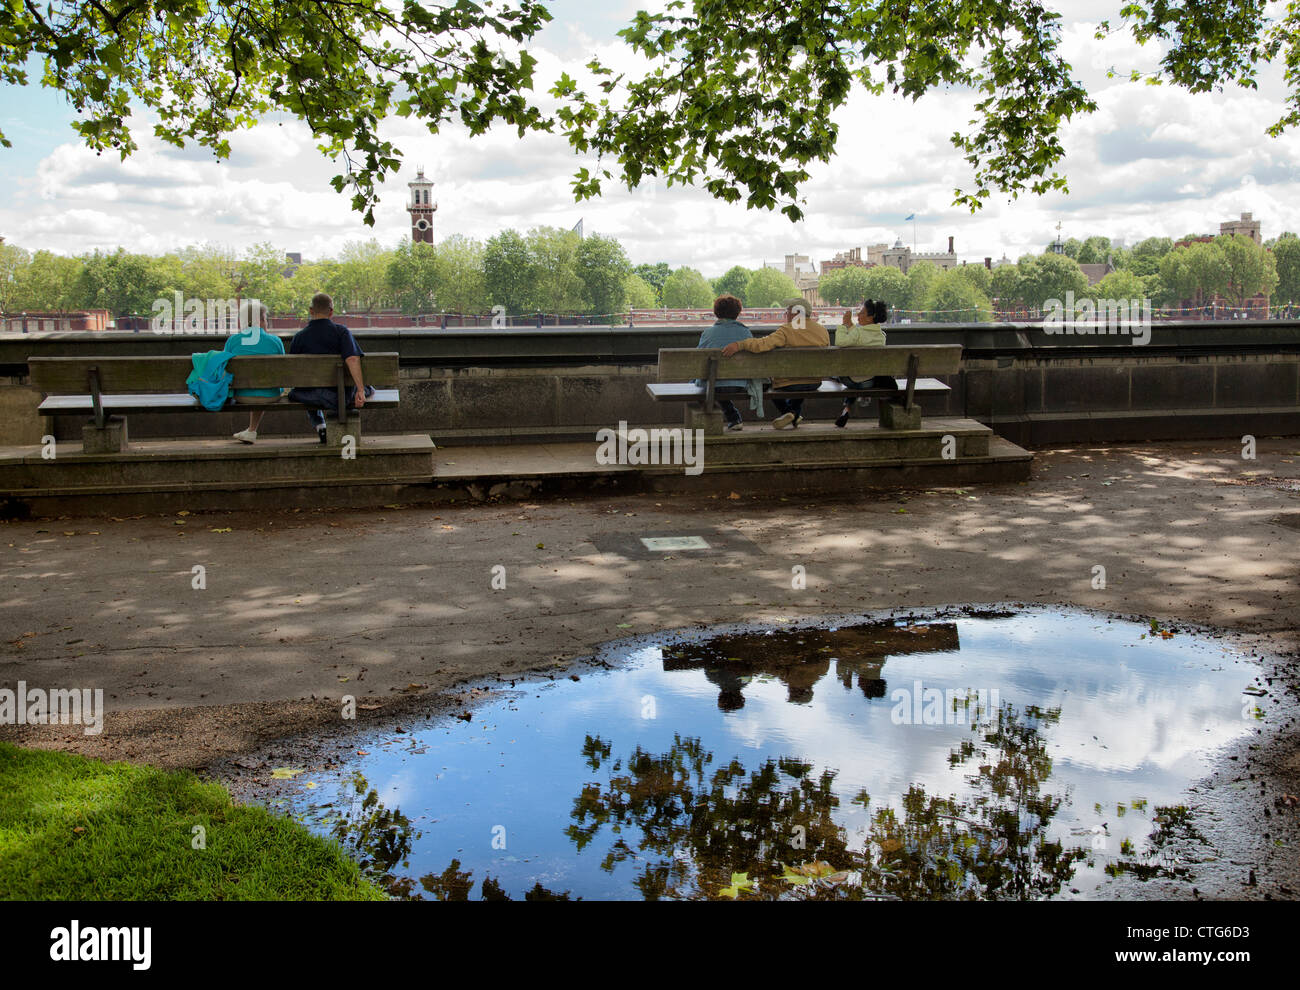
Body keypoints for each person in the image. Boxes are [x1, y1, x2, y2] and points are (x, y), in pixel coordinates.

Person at [721, 297, 829, 429]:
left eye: (788, 311)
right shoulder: (822, 330)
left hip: (790, 383)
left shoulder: (787, 330)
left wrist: (740, 344)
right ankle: (793, 413)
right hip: (814, 382)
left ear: (797, 313)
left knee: (771, 384)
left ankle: (790, 412)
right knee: (803, 378)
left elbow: (762, 344)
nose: (786, 314)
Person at [287, 293, 373, 443]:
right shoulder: (341, 332)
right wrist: (360, 389)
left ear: (311, 310)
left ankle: (320, 424)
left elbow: (294, 372)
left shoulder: (299, 337)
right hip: (341, 395)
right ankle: (345, 430)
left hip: (310, 395)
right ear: (331, 312)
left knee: (304, 386)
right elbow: (352, 359)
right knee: (366, 389)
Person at [696, 294, 758, 431]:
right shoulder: (746, 333)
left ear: (716, 312)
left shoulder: (708, 333)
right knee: (720, 382)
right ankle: (733, 418)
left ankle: (729, 418)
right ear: (737, 313)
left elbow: (698, 360)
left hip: (715, 384)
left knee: (707, 383)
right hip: (740, 385)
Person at [226, 302, 285, 444]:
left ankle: (251, 431)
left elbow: (224, 367)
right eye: (265, 319)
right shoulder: (275, 341)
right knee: (262, 384)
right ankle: (251, 430)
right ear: (260, 320)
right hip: (271, 395)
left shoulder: (233, 341)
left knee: (255, 385)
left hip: (241, 395)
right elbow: (283, 370)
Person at [834, 299, 895, 428]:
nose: (858, 315)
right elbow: (859, 336)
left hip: (852, 379)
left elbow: (840, 341)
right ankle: (853, 403)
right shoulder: (881, 336)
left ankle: (847, 406)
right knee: (860, 378)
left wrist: (844, 325)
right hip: (871, 380)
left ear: (870, 317)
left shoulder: (858, 333)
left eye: (861, 313)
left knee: (846, 377)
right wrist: (851, 326)